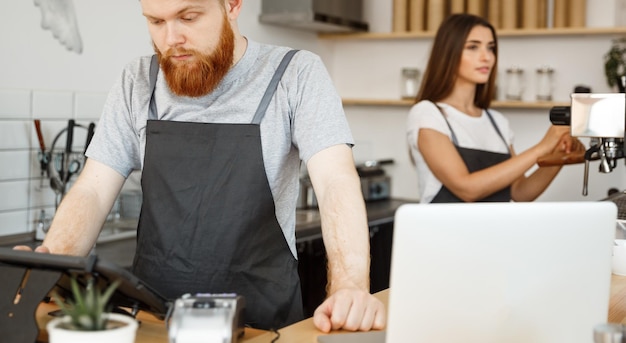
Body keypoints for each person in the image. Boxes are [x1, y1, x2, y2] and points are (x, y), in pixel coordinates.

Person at [15, 0, 385, 332]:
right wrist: (50, 265)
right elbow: (93, 190)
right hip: (154, 323)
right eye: (155, 22)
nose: (171, 38)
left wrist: (350, 287)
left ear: (233, 5)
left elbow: (336, 180)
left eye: (188, 17)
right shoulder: (138, 81)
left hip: (260, 325)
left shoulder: (295, 74)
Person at [406, 13, 583, 203]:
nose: (487, 57)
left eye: (490, 48)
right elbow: (467, 189)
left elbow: (520, 192)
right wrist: (542, 148)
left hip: (494, 232)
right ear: (449, 52)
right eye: (473, 47)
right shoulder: (427, 114)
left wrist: (560, 157)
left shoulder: (497, 121)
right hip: (444, 232)